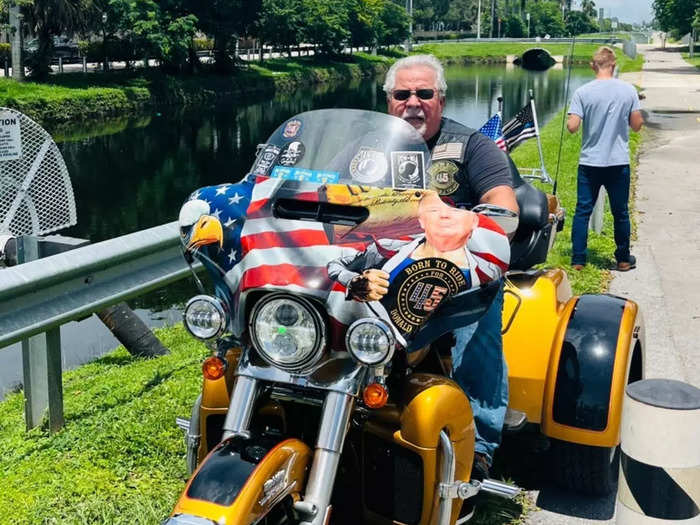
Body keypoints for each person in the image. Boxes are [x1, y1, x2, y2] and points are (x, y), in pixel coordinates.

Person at [382, 54, 519, 479]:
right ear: (389, 100)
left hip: (455, 270)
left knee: (476, 316)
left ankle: (479, 441)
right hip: (382, 266)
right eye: (402, 94)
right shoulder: (369, 149)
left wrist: (468, 225)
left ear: (440, 99)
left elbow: (503, 203)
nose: (413, 102)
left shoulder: (471, 146)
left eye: (424, 93)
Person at [567, 46, 643, 272]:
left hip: (590, 162)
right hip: (618, 162)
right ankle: (622, 258)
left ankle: (578, 260)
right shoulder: (628, 91)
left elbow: (572, 127)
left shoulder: (582, 92)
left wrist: (572, 117)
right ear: (614, 65)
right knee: (620, 211)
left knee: (582, 211)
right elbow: (637, 126)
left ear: (593, 66)